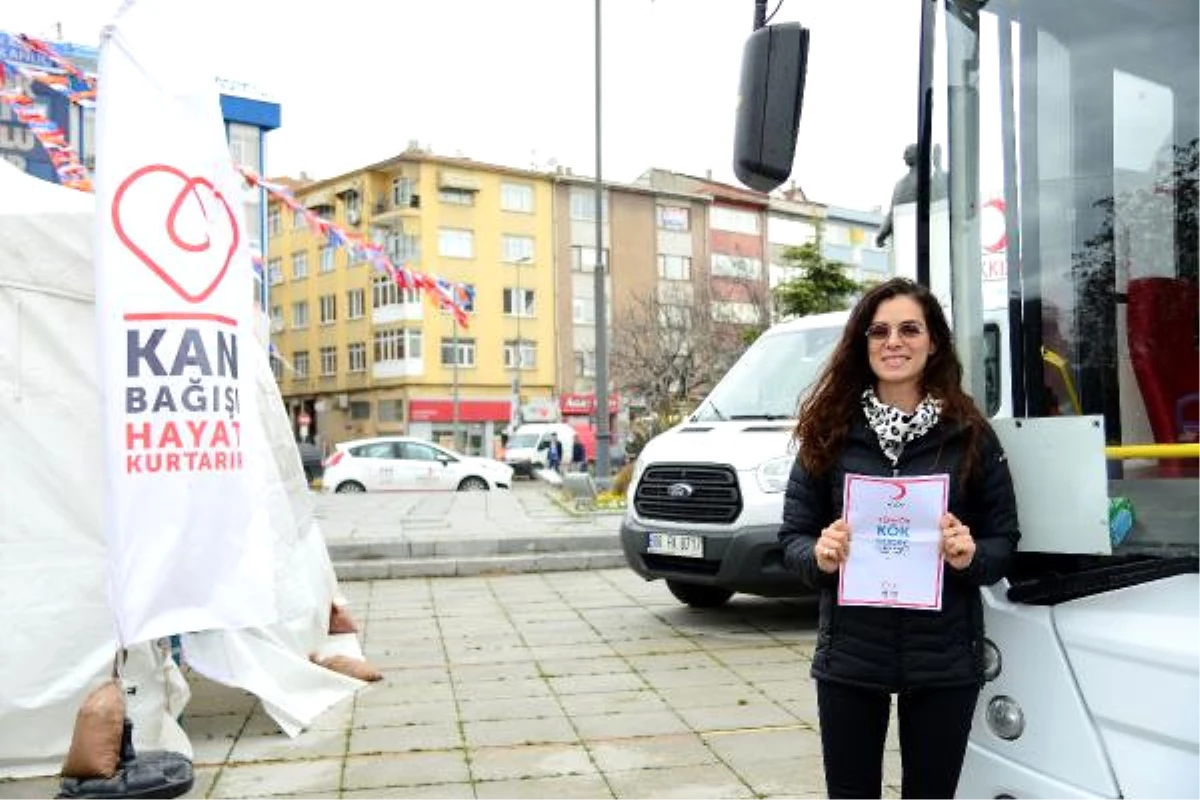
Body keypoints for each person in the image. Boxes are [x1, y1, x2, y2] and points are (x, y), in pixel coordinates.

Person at [778, 277, 1020, 799]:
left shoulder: (971, 434)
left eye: (910, 329)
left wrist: (971, 556)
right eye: (879, 331)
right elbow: (793, 537)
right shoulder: (828, 432)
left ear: (933, 342)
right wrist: (818, 554)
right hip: (851, 653)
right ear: (862, 344)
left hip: (944, 656)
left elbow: (1004, 541)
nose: (894, 342)